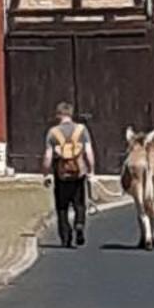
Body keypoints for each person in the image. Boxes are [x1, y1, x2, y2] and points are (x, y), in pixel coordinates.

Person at [42, 101, 94, 248]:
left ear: (58, 115)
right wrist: (91, 171)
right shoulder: (81, 130)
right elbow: (89, 152)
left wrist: (46, 174)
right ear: (71, 114)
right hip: (79, 173)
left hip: (61, 174)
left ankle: (66, 237)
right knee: (79, 204)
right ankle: (79, 224)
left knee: (62, 207)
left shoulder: (53, 133)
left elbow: (47, 156)